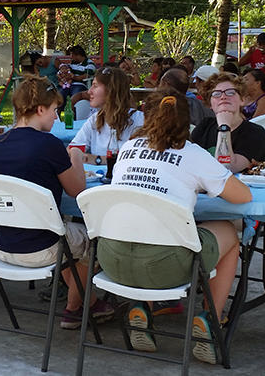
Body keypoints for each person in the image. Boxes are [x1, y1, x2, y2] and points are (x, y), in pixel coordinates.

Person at [100, 88, 252, 361]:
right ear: (188, 121)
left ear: (146, 116)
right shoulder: (192, 154)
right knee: (228, 230)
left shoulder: (126, 149)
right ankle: (211, 320)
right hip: (165, 266)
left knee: (142, 229)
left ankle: (140, 308)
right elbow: (243, 196)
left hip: (112, 261)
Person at [0, 76, 114, 328]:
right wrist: (76, 155)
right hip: (40, 248)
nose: (56, 118)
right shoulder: (49, 145)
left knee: (67, 238)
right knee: (95, 241)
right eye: (54, 110)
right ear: (40, 109)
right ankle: (74, 309)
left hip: (1, 243)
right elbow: (77, 189)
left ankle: (90, 304)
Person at [192, 73, 265, 173]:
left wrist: (224, 127)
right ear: (210, 104)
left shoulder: (255, 133)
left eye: (230, 92)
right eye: (216, 94)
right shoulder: (205, 125)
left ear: (242, 100)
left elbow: (226, 168)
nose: (223, 96)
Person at [70, 67, 144, 164]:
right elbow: (72, 150)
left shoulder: (139, 120)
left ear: (111, 90)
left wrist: (96, 159)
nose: (89, 91)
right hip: (95, 178)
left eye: (95, 86)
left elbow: (138, 158)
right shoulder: (94, 120)